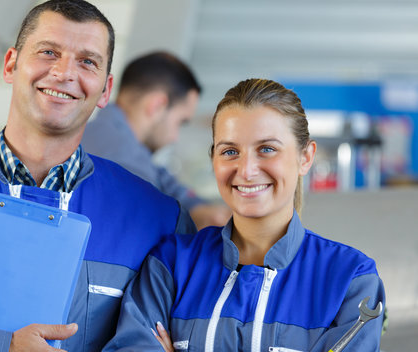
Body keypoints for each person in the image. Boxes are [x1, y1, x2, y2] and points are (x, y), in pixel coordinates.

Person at [0, 0, 195, 352]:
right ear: (11, 65)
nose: (64, 73)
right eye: (48, 52)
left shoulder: (159, 220)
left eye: (87, 62)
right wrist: (2, 345)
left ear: (105, 90)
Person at [103, 79, 386, 351]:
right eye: (230, 151)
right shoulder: (172, 265)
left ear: (305, 157)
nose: (247, 170)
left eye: (267, 149)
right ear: (213, 158)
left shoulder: (350, 280)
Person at [81, 51, 230, 230]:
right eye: (180, 122)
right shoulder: (125, 162)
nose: (174, 137)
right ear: (157, 106)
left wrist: (199, 208)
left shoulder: (107, 136)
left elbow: (163, 177)